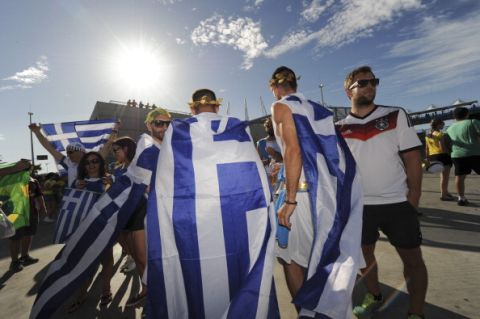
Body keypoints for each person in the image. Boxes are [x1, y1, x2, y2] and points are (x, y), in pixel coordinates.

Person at [270, 66, 363, 318]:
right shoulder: (318, 110)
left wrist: (288, 200)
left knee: (290, 259)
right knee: (325, 257)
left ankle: (308, 313)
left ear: (275, 87)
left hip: (300, 195)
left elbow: (293, 151)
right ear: (295, 84)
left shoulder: (281, 106)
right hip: (326, 195)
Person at [336, 65, 427, 319]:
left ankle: (416, 313)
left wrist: (414, 197)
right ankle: (374, 295)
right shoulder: (339, 127)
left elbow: (412, 156)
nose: (370, 86)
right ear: (348, 91)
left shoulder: (395, 114)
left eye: (373, 81)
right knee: (363, 257)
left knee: (412, 259)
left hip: (398, 203)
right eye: (362, 83)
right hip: (359, 206)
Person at [67, 151, 114, 312]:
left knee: (106, 259)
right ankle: (82, 293)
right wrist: (75, 186)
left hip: (103, 226)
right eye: (88, 162)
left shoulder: (108, 180)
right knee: (83, 262)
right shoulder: (78, 182)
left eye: (95, 161)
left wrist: (113, 183)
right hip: (83, 228)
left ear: (101, 163)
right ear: (84, 166)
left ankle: (106, 289)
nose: (92, 164)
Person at [29, 123, 118, 187]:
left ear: (81, 152)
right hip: (75, 199)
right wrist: (37, 132)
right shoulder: (68, 162)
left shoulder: (95, 159)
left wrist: (114, 130)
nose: (68, 155)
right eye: (67, 153)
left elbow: (108, 144)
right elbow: (49, 147)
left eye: (70, 152)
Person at [3, 161, 47, 272]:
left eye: (28, 166)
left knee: (29, 234)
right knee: (16, 238)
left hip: (31, 212)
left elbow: (38, 195)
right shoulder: (10, 180)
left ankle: (25, 256)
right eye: (23, 166)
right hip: (16, 214)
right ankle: (14, 262)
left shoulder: (33, 181)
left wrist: (42, 207)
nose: (27, 168)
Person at [445, 107, 480, 206]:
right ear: (467, 114)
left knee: (460, 177)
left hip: (457, 155)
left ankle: (461, 198)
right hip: (475, 152)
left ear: (454, 117)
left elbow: (446, 142)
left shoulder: (449, 128)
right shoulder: (473, 122)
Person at [425, 118, 454, 201]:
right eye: (442, 124)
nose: (443, 126)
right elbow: (442, 148)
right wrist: (449, 153)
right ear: (438, 125)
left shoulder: (428, 135)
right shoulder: (440, 134)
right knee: (445, 177)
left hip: (433, 156)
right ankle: (443, 195)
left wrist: (427, 158)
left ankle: (445, 191)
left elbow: (426, 148)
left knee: (442, 176)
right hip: (442, 156)